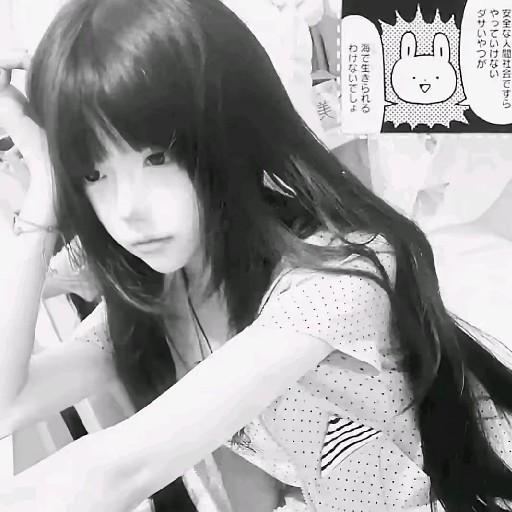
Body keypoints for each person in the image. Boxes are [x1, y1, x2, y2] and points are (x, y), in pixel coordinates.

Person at [0, 2, 511, 512]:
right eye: (93, 173)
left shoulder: (334, 281)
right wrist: (44, 190)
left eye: (158, 157)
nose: (126, 209)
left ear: (226, 129)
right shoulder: (159, 300)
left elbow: (116, 473)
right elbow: (8, 402)